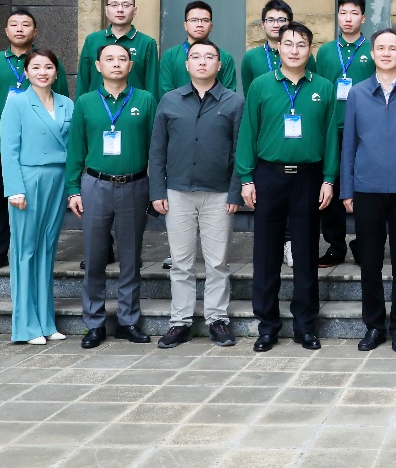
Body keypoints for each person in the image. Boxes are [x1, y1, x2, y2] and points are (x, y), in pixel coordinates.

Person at [236, 23, 338, 352]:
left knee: (306, 253)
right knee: (266, 253)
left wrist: (329, 178)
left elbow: (330, 137)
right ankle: (267, 326)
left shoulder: (323, 87)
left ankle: (305, 325)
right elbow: (248, 132)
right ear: (278, 47)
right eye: (289, 44)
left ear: (310, 50)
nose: (295, 50)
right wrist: (246, 177)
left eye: (302, 44)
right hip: (269, 175)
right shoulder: (262, 85)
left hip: (308, 178)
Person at [149, 39, 244, 349]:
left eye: (209, 57)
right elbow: (157, 149)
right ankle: (180, 322)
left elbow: (239, 152)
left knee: (218, 263)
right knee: (181, 262)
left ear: (219, 64)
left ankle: (217, 319)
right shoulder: (169, 101)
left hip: (219, 194)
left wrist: (235, 193)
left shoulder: (234, 102)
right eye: (196, 57)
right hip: (177, 192)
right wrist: (157, 189)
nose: (202, 62)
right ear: (187, 64)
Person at [342, 28, 396, 353]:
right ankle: (374, 326)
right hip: (367, 189)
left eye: (392, 48)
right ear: (372, 54)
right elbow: (349, 144)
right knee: (370, 262)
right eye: (381, 48)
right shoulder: (358, 93)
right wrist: (347, 189)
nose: (386, 53)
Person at [66, 43, 158, 349]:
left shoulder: (145, 100)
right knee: (94, 256)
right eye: (109, 59)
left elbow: (156, 148)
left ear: (130, 66)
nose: (116, 63)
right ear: (98, 66)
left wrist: (156, 187)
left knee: (131, 257)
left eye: (122, 59)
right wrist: (73, 188)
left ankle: (128, 320)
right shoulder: (86, 102)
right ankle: (94, 323)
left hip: (134, 184)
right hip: (96, 184)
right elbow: (75, 148)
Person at [0, 9, 70, 273]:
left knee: (34, 202)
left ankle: (36, 251)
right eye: (14, 24)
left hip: (39, 147)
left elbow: (61, 98)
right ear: (6, 31)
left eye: (26, 25)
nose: (20, 29)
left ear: (35, 31)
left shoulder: (47, 61)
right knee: (0, 197)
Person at [0, 49, 74, 345]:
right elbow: (9, 149)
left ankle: (46, 321)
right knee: (25, 250)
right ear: (26, 71)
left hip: (58, 179)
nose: (43, 72)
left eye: (48, 67)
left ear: (56, 72)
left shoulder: (67, 103)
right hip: (28, 180)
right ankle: (26, 327)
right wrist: (14, 188)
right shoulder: (17, 103)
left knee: (46, 249)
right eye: (36, 67)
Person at [314, 0, 375, 267]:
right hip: (332, 129)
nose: (348, 18)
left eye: (354, 13)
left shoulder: (373, 49)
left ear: (363, 17)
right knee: (333, 187)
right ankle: (335, 246)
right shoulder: (325, 51)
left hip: (365, 131)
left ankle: (364, 244)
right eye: (343, 13)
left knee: (364, 189)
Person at [78, 0, 159, 96]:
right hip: (97, 105)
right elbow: (83, 82)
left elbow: (152, 85)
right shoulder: (92, 40)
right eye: (114, 5)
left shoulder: (146, 43)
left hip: (134, 105)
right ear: (106, 10)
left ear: (134, 10)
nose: (120, 9)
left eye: (126, 5)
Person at [159, 1, 237, 98]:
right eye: (194, 20)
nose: (199, 24)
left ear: (211, 26)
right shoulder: (170, 55)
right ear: (185, 25)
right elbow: (166, 94)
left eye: (205, 20)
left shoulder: (225, 57)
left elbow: (229, 97)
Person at [241, 0, 315, 93]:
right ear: (263, 24)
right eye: (270, 20)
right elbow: (249, 94)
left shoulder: (302, 54)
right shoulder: (251, 57)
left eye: (281, 20)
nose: (276, 25)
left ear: (290, 23)